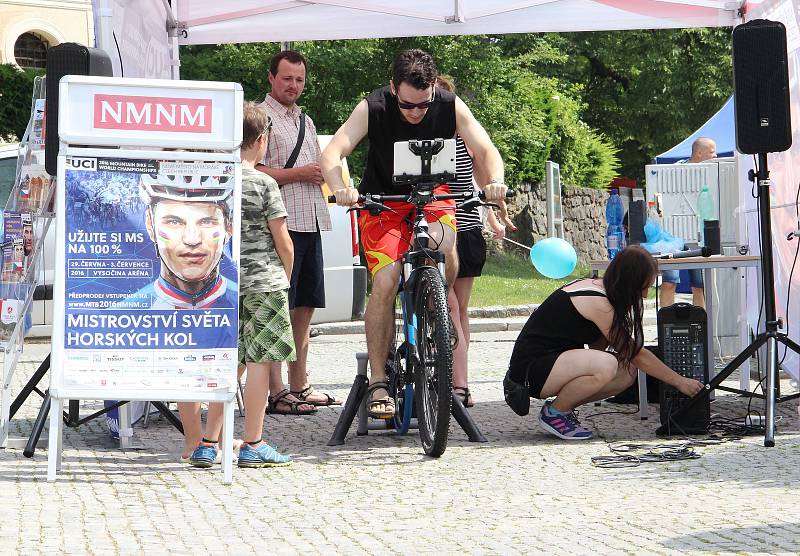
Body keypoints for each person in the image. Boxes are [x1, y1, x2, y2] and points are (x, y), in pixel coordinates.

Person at [322, 49, 512, 419]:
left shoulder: (449, 104)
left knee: (445, 246)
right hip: (383, 203)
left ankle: (436, 310)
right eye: (408, 105)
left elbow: (486, 149)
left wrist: (496, 182)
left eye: (423, 106)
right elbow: (333, 152)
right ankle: (378, 379)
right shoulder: (373, 107)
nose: (416, 113)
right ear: (394, 88)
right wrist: (339, 185)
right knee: (386, 281)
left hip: (433, 196)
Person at [183, 102, 294, 468]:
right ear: (261, 140)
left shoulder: (216, 181)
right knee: (261, 363)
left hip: (223, 285)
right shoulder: (265, 183)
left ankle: (206, 442)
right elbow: (283, 240)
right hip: (263, 281)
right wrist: (286, 276)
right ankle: (254, 442)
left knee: (227, 363)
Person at [504, 245, 704, 440]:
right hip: (530, 371)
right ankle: (555, 413)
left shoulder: (603, 291)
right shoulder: (598, 301)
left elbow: (596, 348)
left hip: (549, 364)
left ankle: (562, 408)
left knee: (625, 372)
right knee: (608, 365)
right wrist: (679, 381)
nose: (644, 295)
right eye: (644, 287)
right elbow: (635, 353)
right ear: (631, 281)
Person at [256, 49, 340, 414]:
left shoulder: (304, 118)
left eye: (299, 80)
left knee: (304, 307)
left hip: (311, 221)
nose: (293, 85)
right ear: (271, 78)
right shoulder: (258, 117)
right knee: (277, 307)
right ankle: (275, 391)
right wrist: (298, 174)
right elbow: (250, 169)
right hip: (279, 226)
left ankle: (299, 384)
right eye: (287, 78)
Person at [435, 75, 512, 408]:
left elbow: (482, 175)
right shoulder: (423, 140)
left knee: (460, 308)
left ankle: (458, 378)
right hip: (437, 230)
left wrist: (494, 216)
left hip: (466, 229)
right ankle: (457, 381)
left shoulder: (465, 139)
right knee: (448, 306)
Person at [120, 172, 238, 311]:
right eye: (174, 222)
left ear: (229, 226)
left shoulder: (245, 304)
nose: (192, 239)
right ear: (150, 225)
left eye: (207, 221)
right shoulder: (120, 315)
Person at [661, 137, 717, 308]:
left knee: (699, 286)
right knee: (669, 283)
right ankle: (666, 324)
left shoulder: (715, 172)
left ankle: (701, 326)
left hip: (699, 235)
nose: (716, 155)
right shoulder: (673, 172)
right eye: (712, 151)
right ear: (699, 153)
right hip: (673, 236)